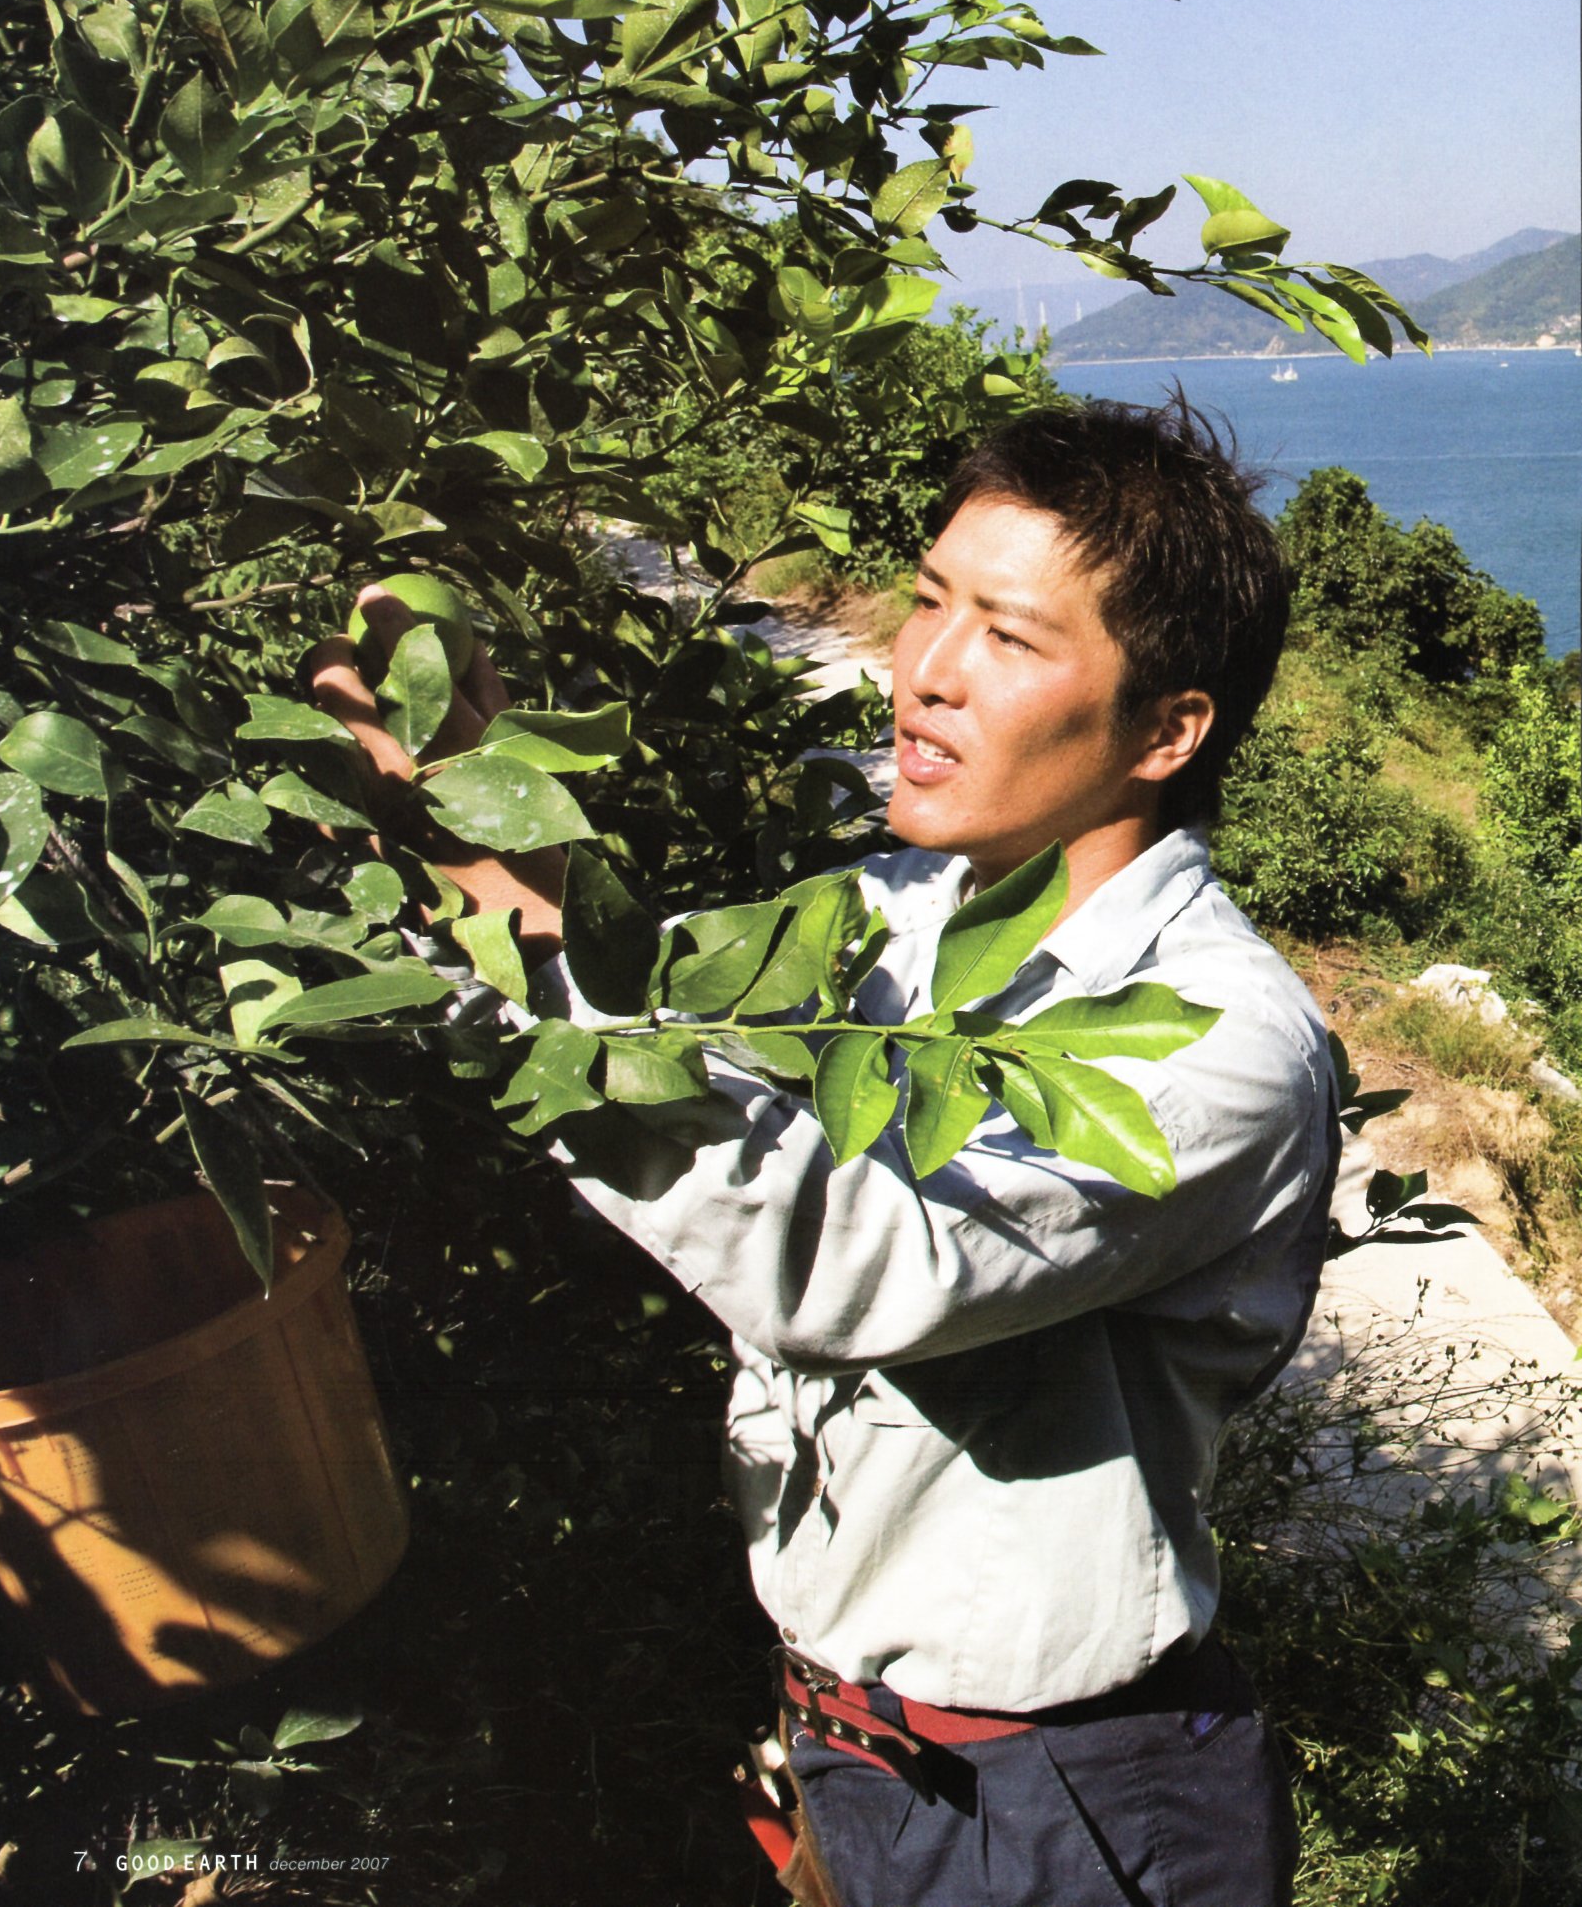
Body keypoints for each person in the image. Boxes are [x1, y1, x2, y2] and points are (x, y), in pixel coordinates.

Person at [312, 397, 1338, 1907]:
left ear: (1167, 729)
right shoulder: (893, 913)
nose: (925, 669)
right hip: (857, 1740)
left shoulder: (1218, 1040)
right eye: (928, 599)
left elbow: (862, 1254)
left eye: (1008, 635)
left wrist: (486, 884)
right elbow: (658, 1017)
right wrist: (479, 799)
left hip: (1058, 1798)